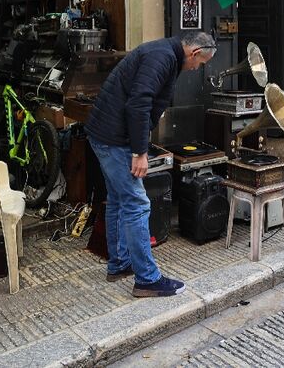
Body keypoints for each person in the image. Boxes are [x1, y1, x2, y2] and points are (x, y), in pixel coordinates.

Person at [85, 31, 217, 297]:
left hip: (105, 134)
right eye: (200, 64)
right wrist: (139, 152)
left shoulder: (165, 54)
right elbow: (139, 104)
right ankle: (146, 279)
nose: (196, 69)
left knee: (119, 200)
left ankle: (119, 264)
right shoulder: (162, 57)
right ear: (193, 53)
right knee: (137, 203)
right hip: (114, 139)